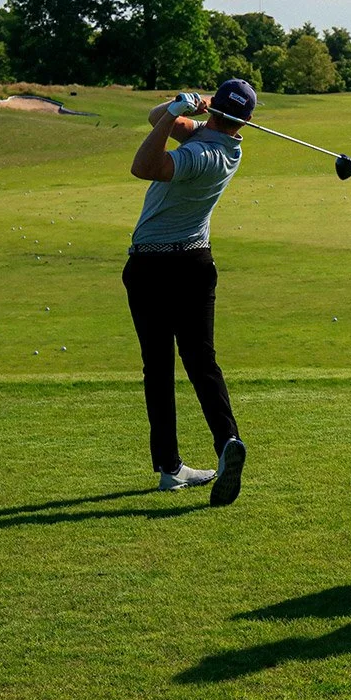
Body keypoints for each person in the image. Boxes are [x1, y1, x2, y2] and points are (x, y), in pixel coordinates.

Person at [123, 79, 256, 506]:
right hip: (195, 264)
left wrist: (174, 111)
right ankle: (225, 441)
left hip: (153, 267)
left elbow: (143, 166)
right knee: (201, 362)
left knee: (159, 368)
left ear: (214, 107)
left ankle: (171, 466)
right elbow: (155, 117)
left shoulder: (203, 155)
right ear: (244, 122)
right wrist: (177, 107)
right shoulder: (228, 146)